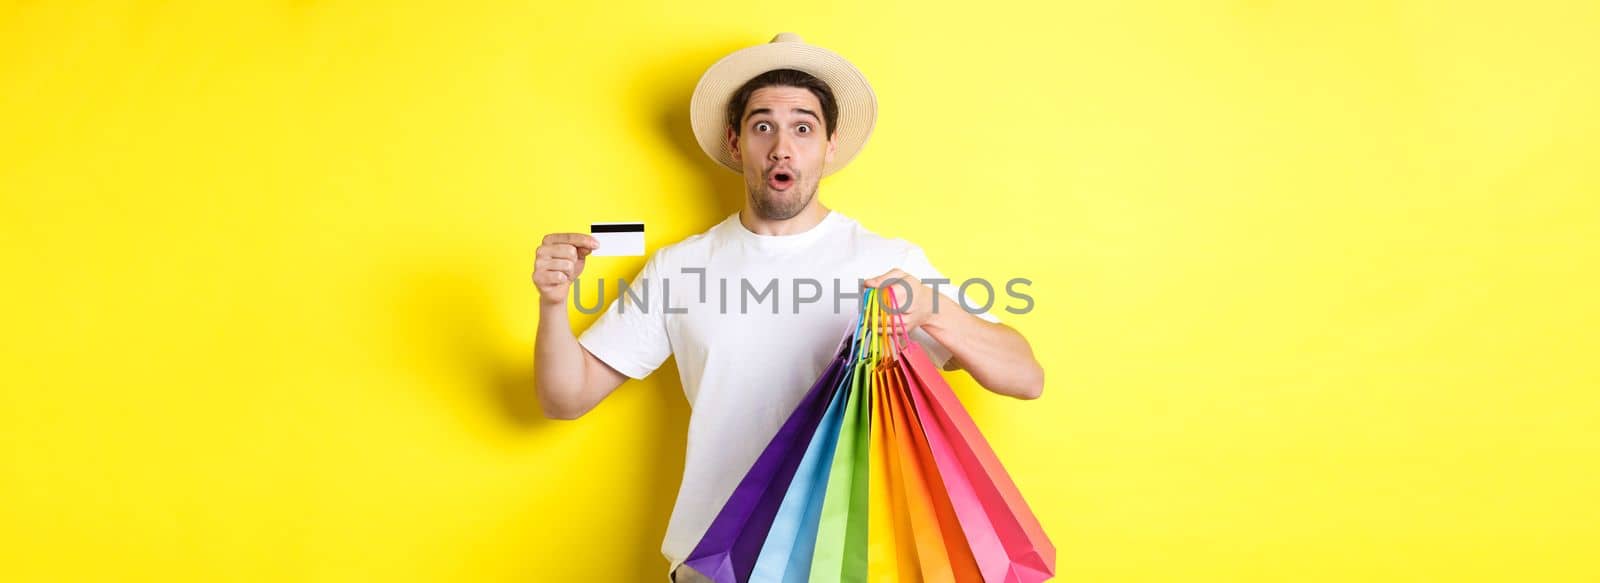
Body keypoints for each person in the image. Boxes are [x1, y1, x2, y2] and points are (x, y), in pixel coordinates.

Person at [530, 33, 1045, 582]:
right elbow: (566, 396)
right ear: (735, 143)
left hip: (847, 568)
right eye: (762, 126)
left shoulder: (890, 261)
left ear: (828, 145)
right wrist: (554, 304)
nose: (782, 146)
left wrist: (933, 309)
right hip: (712, 567)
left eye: (803, 127)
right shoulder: (678, 267)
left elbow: (1025, 376)